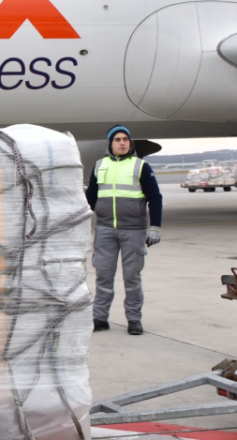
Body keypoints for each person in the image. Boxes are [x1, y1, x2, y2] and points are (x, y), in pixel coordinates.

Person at [86, 125, 163, 336]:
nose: (122, 143)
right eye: (118, 139)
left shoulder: (141, 167)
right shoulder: (99, 166)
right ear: (110, 143)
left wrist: (154, 227)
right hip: (105, 229)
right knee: (103, 275)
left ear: (130, 143)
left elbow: (155, 198)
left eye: (125, 139)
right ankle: (100, 318)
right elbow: (90, 199)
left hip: (133, 230)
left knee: (132, 277)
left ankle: (134, 319)